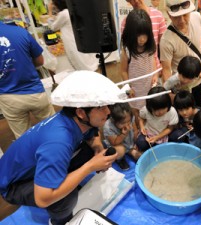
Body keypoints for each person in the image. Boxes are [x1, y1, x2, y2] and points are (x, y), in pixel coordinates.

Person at [0, 71, 124, 225]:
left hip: (34, 164)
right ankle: (61, 220)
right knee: (66, 197)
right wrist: (89, 166)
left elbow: (93, 134)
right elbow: (42, 198)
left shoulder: (73, 119)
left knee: (96, 149)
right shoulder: (59, 142)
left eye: (106, 105)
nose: (108, 111)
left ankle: (64, 181)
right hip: (14, 186)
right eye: (100, 107)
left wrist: (97, 147)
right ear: (80, 112)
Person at [0, 21, 55, 139]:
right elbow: (40, 61)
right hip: (35, 91)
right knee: (52, 128)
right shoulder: (20, 31)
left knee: (23, 138)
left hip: (8, 96)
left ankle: (31, 156)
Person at [160, 0, 201, 107]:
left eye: (185, 15)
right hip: (182, 86)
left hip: (199, 78)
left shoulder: (197, 17)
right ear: (169, 15)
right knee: (185, 116)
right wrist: (170, 95)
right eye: (176, 17)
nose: (182, 20)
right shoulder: (166, 40)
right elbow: (166, 69)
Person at [121, 8, 157, 127]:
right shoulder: (127, 51)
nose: (142, 39)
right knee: (137, 113)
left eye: (145, 35)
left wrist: (155, 75)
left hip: (148, 86)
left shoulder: (150, 48)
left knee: (150, 110)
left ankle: (150, 130)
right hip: (135, 90)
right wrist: (128, 86)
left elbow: (153, 63)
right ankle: (139, 131)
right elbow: (123, 70)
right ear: (131, 33)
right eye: (138, 35)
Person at [48, 0, 99, 72]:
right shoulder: (72, 10)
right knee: (87, 62)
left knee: (81, 64)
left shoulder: (64, 13)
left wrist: (49, 11)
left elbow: (53, 27)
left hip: (72, 42)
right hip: (80, 40)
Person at [122, 0, 166, 69]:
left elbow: (163, 44)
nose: (136, 1)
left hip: (155, 68)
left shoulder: (158, 15)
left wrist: (162, 66)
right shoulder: (126, 22)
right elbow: (126, 49)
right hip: (135, 71)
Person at [136, 86, 180, 152]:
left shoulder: (171, 111)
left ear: (168, 105)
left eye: (162, 109)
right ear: (149, 107)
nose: (159, 113)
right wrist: (142, 127)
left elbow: (170, 128)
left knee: (178, 135)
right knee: (140, 142)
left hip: (163, 134)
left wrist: (157, 137)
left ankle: (164, 145)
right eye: (155, 110)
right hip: (149, 134)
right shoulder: (146, 110)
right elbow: (141, 118)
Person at [103, 103, 140, 170]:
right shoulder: (108, 126)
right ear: (113, 120)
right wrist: (123, 134)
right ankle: (120, 160)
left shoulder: (130, 117)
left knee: (139, 156)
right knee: (121, 150)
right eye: (122, 123)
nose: (126, 125)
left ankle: (130, 151)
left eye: (128, 121)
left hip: (129, 145)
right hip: (117, 146)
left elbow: (135, 131)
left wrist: (135, 142)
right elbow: (114, 142)